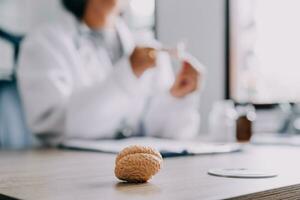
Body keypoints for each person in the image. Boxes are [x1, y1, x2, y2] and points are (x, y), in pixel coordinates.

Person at [17, 0, 204, 145]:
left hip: (132, 176)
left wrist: (177, 97)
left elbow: (165, 132)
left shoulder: (144, 46)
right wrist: (126, 76)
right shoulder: (45, 42)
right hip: (65, 170)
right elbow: (55, 126)